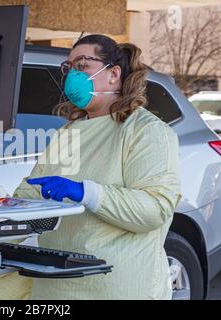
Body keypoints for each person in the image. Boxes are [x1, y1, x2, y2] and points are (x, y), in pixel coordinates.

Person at [11, 35, 182, 300]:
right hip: (57, 284)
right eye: (68, 68)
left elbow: (155, 210)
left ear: (113, 74)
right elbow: (31, 194)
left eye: (82, 65)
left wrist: (87, 193)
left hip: (115, 287)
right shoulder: (70, 132)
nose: (71, 76)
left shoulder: (146, 132)